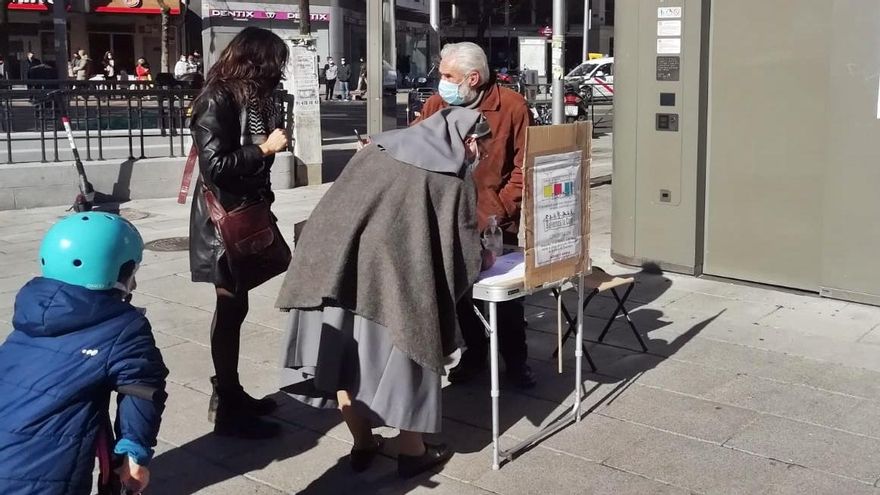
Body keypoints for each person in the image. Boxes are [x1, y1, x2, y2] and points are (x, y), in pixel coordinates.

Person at [277, 107, 492, 478]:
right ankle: (412, 451)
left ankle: (362, 443)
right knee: (412, 353)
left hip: (332, 264)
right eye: (480, 150)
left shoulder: (380, 147)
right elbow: (464, 253)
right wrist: (483, 258)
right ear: (468, 140)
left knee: (342, 356)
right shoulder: (451, 179)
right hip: (394, 276)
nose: (478, 158)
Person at [0, 212, 168, 495]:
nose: (134, 284)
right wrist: (134, 453)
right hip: (45, 474)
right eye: (131, 273)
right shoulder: (124, 326)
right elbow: (141, 390)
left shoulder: (30, 315)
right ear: (114, 271)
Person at [416, 42, 536, 388]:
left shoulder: (511, 106)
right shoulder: (436, 105)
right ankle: (475, 352)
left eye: (448, 75)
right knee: (460, 293)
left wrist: (501, 206)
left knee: (507, 299)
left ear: (472, 78)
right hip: (447, 216)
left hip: (495, 221)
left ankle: (516, 361)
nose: (441, 81)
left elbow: (523, 166)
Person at [188, 26, 289, 439]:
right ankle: (228, 404)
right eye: (274, 63)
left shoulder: (251, 97)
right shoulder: (217, 97)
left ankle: (231, 392)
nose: (278, 72)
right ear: (256, 59)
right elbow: (215, 166)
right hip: (221, 223)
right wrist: (265, 150)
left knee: (237, 307)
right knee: (229, 308)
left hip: (243, 211)